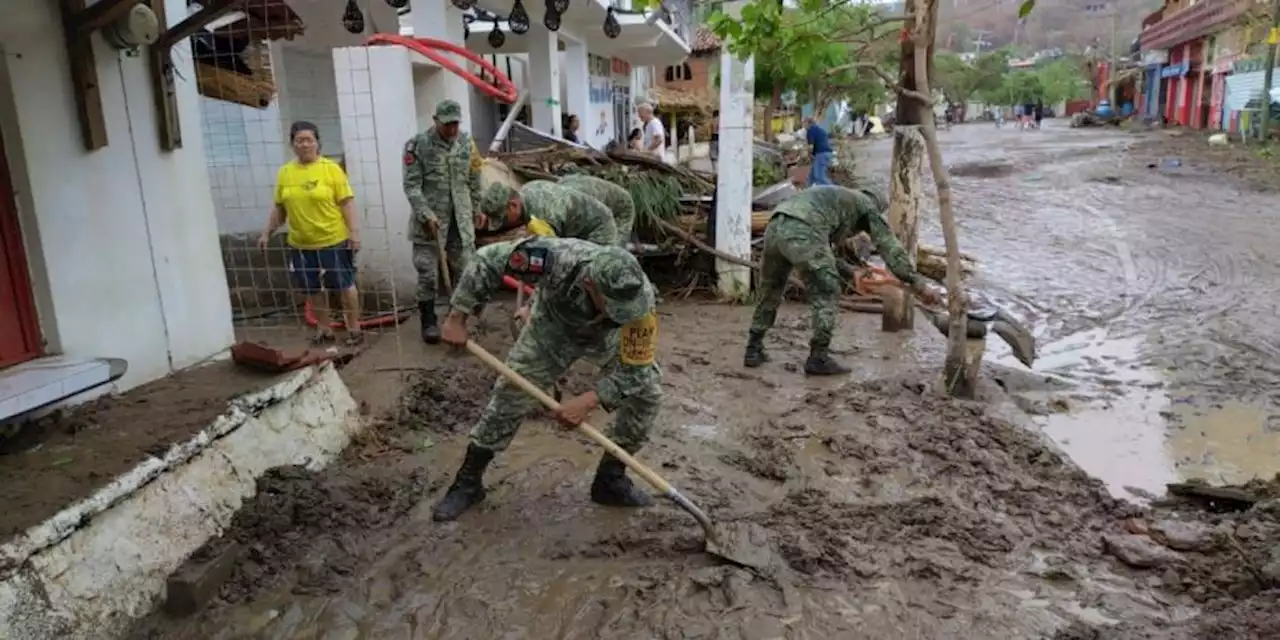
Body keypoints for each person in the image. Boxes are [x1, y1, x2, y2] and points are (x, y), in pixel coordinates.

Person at [432, 237, 663, 521]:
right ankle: (468, 482)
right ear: (590, 284)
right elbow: (487, 259)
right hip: (551, 329)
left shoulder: (639, 302)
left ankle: (610, 480)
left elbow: (637, 371)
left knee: (647, 393)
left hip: (608, 337)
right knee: (511, 394)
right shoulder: (557, 259)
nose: (622, 310)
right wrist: (457, 317)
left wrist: (590, 400)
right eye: (613, 304)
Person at [743, 185, 941, 375]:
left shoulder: (837, 200)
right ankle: (818, 357)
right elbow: (890, 249)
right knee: (827, 290)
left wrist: (851, 271)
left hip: (775, 225)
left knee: (770, 289)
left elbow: (822, 252)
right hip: (803, 228)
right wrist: (917, 283)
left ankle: (753, 348)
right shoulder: (867, 206)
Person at [258, 121, 364, 346]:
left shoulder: (331, 169)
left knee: (344, 285)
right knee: (311, 287)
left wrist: (354, 233)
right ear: (292, 144)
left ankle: (354, 329)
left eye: (309, 140)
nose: (304, 144)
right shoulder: (285, 173)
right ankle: (324, 329)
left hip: (333, 239)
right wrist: (267, 232)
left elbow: (347, 203)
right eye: (299, 140)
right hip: (300, 243)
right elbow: (279, 208)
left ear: (317, 143)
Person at [403, 100, 485, 344]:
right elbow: (412, 185)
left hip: (460, 222)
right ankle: (428, 322)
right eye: (447, 124)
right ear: (435, 119)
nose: (452, 129)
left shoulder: (466, 143)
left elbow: (474, 178)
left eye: (455, 124)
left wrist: (477, 207)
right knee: (427, 274)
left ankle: (457, 320)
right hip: (430, 224)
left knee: (465, 272)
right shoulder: (418, 145)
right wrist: (425, 213)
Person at [477, 180, 618, 247]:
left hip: (598, 228)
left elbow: (557, 256)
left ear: (513, 205)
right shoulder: (527, 191)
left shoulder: (544, 216)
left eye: (504, 218)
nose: (504, 223)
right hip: (576, 227)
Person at [557, 173, 636, 247]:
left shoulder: (584, 204)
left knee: (611, 248)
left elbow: (602, 218)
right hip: (579, 187)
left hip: (622, 206)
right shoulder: (556, 196)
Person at [803, 116, 834, 187]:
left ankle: (835, 192)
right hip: (827, 153)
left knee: (819, 177)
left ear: (808, 123)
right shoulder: (820, 129)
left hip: (821, 154)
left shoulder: (811, 130)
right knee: (812, 176)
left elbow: (811, 146)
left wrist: (809, 155)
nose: (803, 125)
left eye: (804, 122)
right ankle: (806, 192)